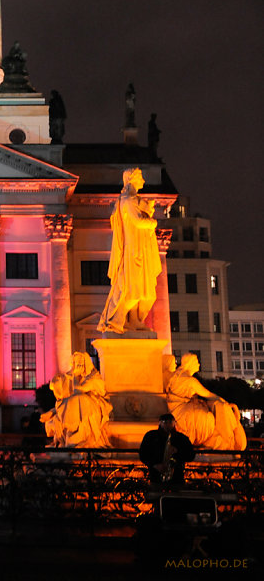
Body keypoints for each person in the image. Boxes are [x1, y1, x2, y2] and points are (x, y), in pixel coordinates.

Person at [98, 167, 161, 334]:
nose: (143, 181)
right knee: (134, 290)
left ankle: (134, 320)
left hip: (140, 248)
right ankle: (114, 319)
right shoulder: (128, 199)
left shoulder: (132, 199)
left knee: (144, 292)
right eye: (140, 177)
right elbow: (138, 221)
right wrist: (152, 222)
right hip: (134, 251)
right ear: (132, 179)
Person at [166, 353, 247, 450]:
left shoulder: (176, 376)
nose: (198, 364)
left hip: (176, 410)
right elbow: (208, 394)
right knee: (208, 418)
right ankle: (219, 441)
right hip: (183, 412)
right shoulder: (190, 381)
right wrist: (223, 401)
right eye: (196, 362)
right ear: (190, 363)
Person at [40, 352, 113, 448]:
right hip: (82, 406)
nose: (78, 365)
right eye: (75, 362)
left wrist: (75, 375)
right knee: (76, 400)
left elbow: (79, 390)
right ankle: (70, 434)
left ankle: (76, 437)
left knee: (80, 399)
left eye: (80, 361)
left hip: (95, 406)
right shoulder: (71, 378)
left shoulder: (93, 377)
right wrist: (52, 411)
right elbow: (64, 399)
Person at [139, 413, 194, 487]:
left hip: (177, 478)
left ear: (174, 423)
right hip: (156, 477)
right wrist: (155, 465)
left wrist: (178, 452)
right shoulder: (151, 436)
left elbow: (191, 455)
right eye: (165, 422)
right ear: (160, 423)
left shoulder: (181, 438)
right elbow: (143, 454)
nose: (167, 425)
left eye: (170, 422)